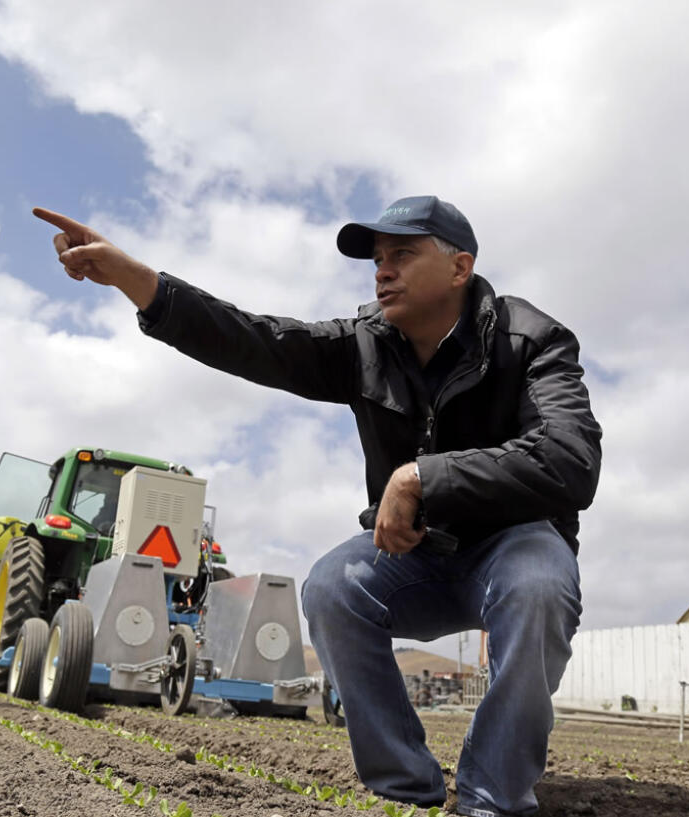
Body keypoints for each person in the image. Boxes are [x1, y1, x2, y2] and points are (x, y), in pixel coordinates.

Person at [33, 196, 602, 816]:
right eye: (378, 259)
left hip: (511, 546)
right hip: (418, 554)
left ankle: (492, 797)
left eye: (402, 254)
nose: (382, 270)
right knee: (333, 586)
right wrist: (134, 280)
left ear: (460, 267)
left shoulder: (531, 339)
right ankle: (406, 791)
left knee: (541, 583)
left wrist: (423, 476)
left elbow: (570, 462)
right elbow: (253, 339)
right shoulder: (363, 345)